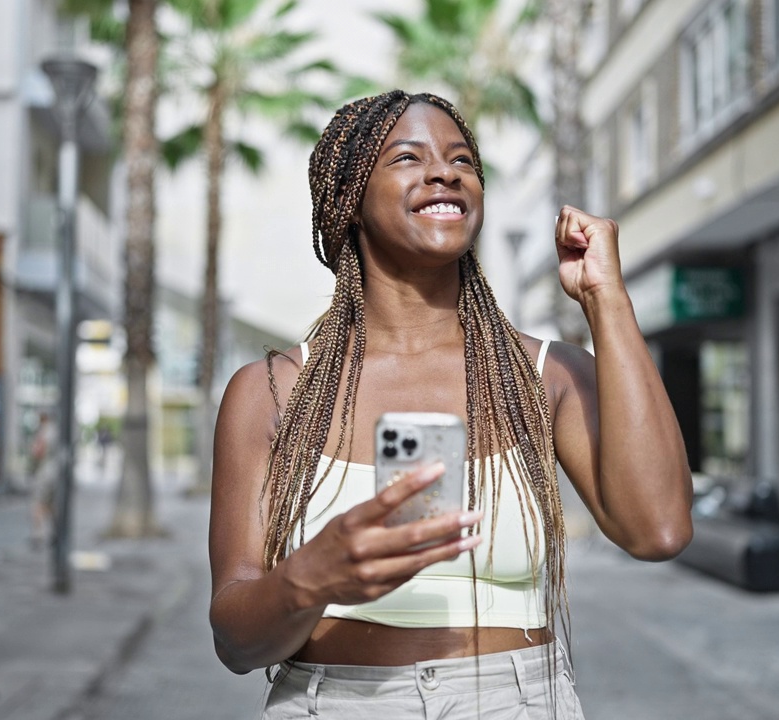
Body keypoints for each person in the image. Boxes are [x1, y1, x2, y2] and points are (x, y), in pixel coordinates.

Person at [209, 91, 694, 719]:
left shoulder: (546, 375)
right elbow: (236, 641)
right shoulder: (272, 392)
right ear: (349, 200)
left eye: (462, 160)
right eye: (408, 157)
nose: (445, 171)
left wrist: (605, 298)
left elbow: (659, 530)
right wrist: (311, 578)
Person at [28, 410, 58, 549]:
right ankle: (55, 532)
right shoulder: (57, 429)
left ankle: (37, 534)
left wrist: (32, 457)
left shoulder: (44, 430)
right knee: (51, 505)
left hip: (44, 472)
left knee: (38, 503)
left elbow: (38, 451)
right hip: (55, 472)